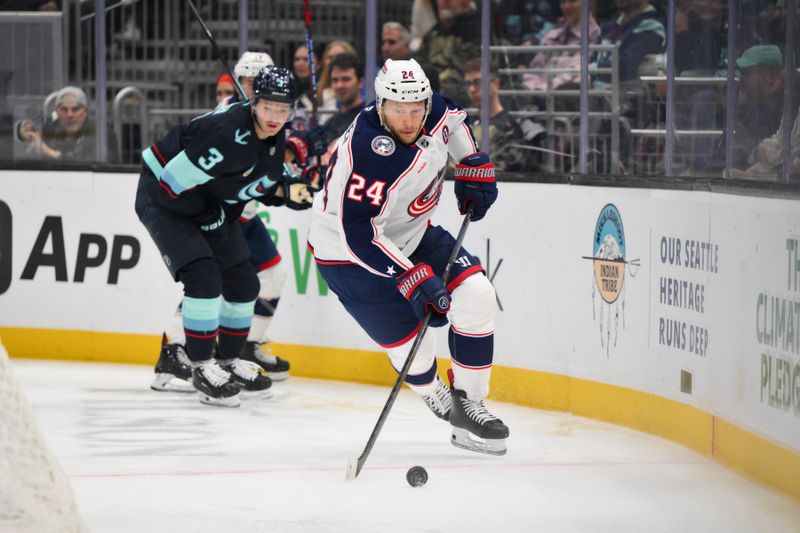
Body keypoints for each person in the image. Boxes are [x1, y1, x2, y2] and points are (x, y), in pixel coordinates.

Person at [308, 58, 510, 455]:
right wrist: (413, 277)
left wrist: (470, 163)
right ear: (381, 105)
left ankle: (468, 408)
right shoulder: (366, 151)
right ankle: (433, 391)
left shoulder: (430, 107)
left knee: (478, 296)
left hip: (413, 234)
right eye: (398, 110)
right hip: (348, 255)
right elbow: (360, 234)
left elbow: (453, 121)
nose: (409, 118)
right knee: (413, 349)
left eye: (416, 108)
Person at [135, 66, 315, 407]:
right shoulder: (226, 132)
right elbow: (171, 184)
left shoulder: (273, 138)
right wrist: (210, 216)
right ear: (253, 102)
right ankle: (201, 367)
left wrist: (284, 192)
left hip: (204, 201)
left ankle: (227, 360)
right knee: (204, 277)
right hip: (162, 198)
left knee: (245, 282)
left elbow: (247, 183)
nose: (275, 116)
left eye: (283, 109)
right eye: (268, 107)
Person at [463, 58, 539, 172]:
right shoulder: (468, 124)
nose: (472, 89)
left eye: (478, 82)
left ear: (496, 84)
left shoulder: (509, 128)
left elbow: (506, 171)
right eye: (468, 84)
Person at [17, 86, 117, 163]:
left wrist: (47, 151)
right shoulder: (51, 129)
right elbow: (27, 135)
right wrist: (25, 134)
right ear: (57, 111)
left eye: (75, 109)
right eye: (64, 109)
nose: (70, 115)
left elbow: (85, 169)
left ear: (85, 112)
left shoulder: (102, 134)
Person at [521, 0, 600, 91]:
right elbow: (536, 69)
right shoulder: (552, 34)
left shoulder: (594, 35)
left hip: (565, 99)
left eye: (573, 1)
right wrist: (530, 88)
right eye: (563, 2)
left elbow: (575, 73)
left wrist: (542, 89)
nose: (566, 6)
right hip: (537, 94)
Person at [414, 0, 482, 104]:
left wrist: (433, 80)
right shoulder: (434, 32)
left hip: (459, 90)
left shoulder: (475, 30)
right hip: (432, 86)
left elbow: (467, 67)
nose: (445, 1)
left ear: (466, 2)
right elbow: (418, 60)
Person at [596, 0, 665, 82]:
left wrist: (588, 69)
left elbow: (623, 67)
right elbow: (591, 59)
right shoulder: (608, 27)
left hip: (632, 94)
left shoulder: (653, 27)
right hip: (597, 93)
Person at [323, 53, 365, 140]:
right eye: (335, 80)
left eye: (346, 79)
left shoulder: (370, 119)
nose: (339, 85)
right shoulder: (329, 124)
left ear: (360, 82)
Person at [315, 41, 358, 122]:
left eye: (339, 56)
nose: (334, 61)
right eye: (330, 57)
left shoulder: (359, 91)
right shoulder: (318, 89)